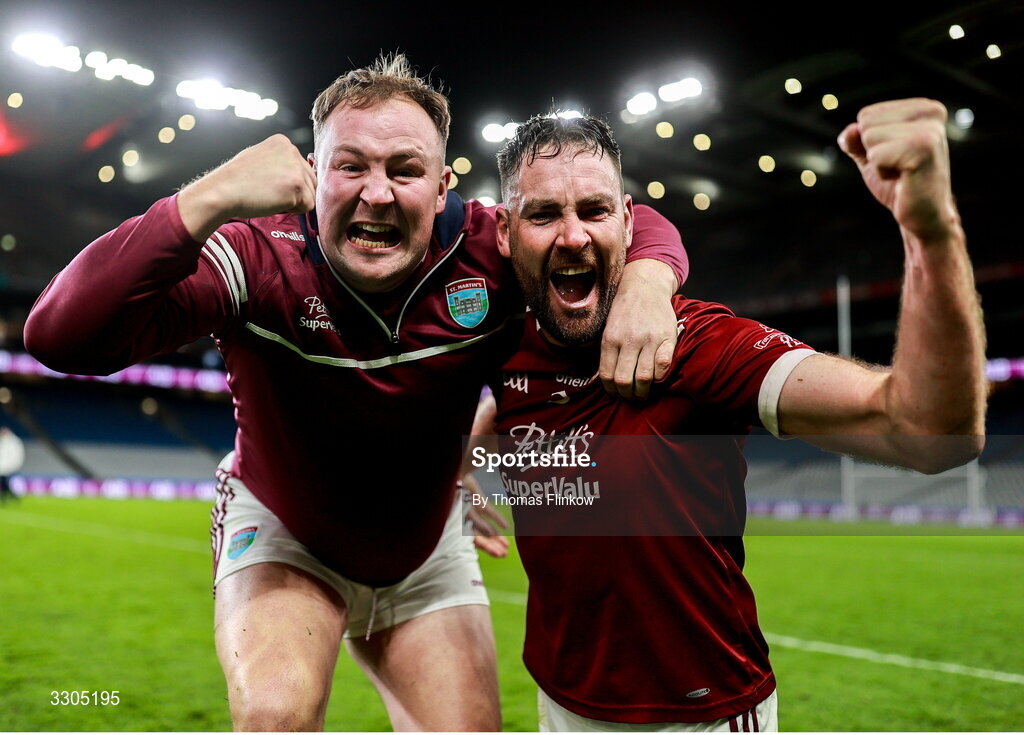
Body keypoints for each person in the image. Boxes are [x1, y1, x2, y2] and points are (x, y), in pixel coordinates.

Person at [22, 54, 689, 731]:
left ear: (442, 188)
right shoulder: (256, 255)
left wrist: (647, 281)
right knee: (277, 713)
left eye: (404, 169)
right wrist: (209, 195)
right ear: (312, 177)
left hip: (425, 550)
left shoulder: (492, 250)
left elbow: (626, 222)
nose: (377, 193)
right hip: (287, 532)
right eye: (351, 166)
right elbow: (59, 334)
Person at [468, 102, 985, 730]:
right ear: (502, 231)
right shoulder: (501, 339)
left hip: (706, 712)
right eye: (543, 214)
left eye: (595, 211)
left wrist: (932, 234)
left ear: (628, 223)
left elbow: (926, 434)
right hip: (561, 702)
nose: (573, 235)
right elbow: (517, 404)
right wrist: (459, 461)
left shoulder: (698, 344)